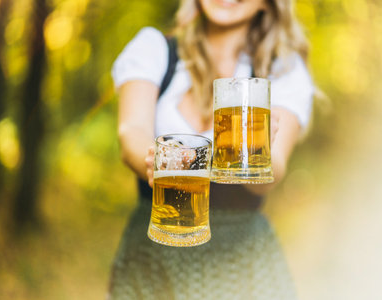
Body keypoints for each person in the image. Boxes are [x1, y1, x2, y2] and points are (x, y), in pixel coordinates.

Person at [109, 0, 314, 299]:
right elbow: (132, 132)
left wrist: (257, 154)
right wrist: (159, 164)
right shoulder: (155, 50)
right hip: (153, 249)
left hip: (239, 260)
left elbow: (275, 168)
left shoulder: (282, 70)